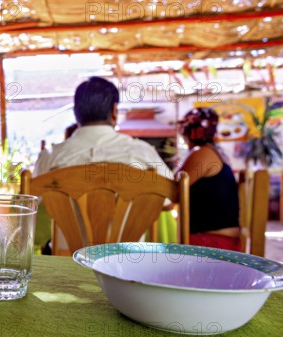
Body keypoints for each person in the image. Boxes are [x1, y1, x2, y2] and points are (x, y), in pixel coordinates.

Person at [35, 76, 171, 178]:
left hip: (63, 217)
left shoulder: (49, 158)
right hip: (136, 217)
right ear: (114, 111)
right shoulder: (143, 152)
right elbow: (169, 201)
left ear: (76, 113)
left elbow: (32, 202)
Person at [176, 107, 240, 251]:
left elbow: (173, 191)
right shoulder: (213, 151)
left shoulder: (202, 153)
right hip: (221, 242)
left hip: (211, 244)